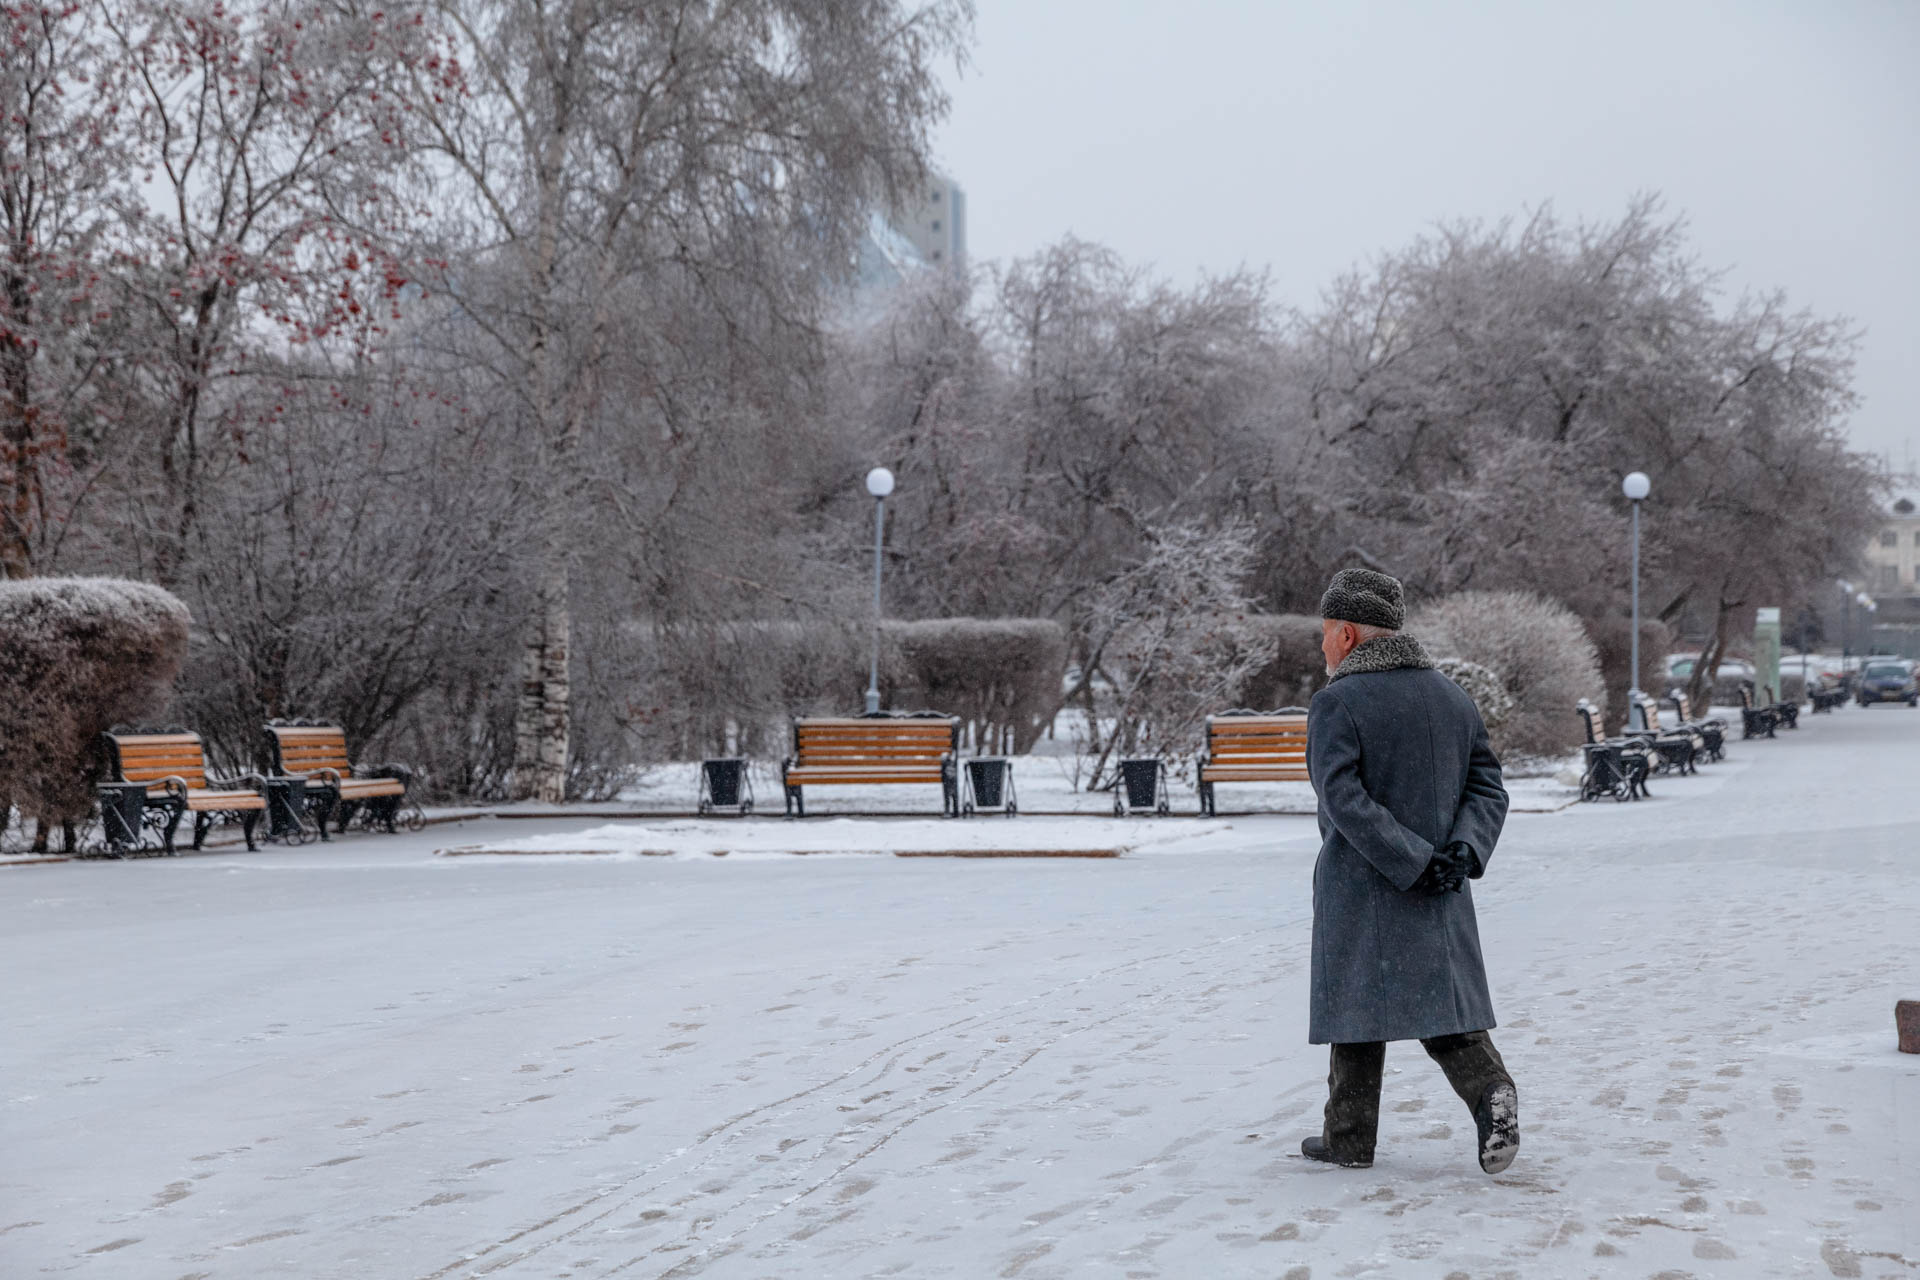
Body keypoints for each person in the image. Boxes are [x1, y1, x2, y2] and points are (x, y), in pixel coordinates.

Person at [1299, 568, 1517, 1174]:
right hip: (1441, 884)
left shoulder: (1336, 702)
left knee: (1355, 1008)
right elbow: (1488, 787)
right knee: (1444, 1009)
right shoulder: (1452, 696)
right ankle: (1491, 1094)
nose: (1321, 646)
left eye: (1324, 633)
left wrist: (1411, 860)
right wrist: (1462, 853)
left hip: (1365, 881)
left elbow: (1342, 799)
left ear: (1347, 634)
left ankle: (1348, 1137)